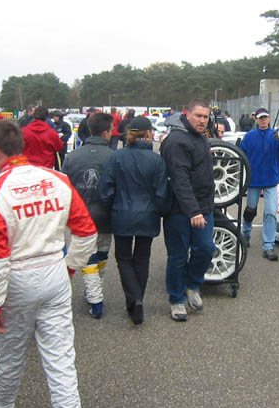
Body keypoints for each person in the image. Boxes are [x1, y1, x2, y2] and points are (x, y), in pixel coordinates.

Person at [0, 120, 96, 408]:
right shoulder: (57, 179)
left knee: (9, 354)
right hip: (55, 270)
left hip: (17, 278)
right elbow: (86, 233)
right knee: (61, 358)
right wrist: (69, 267)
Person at [99, 116, 169, 325]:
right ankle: (137, 299)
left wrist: (109, 207)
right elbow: (161, 192)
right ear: (148, 134)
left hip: (121, 213)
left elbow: (105, 188)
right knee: (142, 258)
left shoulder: (117, 156)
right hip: (148, 214)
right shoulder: (156, 160)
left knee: (123, 258)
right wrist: (162, 211)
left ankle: (134, 299)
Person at [160, 100, 215, 321]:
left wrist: (205, 206)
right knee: (178, 256)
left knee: (206, 248)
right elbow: (179, 179)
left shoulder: (201, 137)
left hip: (203, 207)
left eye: (205, 117)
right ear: (188, 115)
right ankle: (176, 299)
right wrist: (193, 211)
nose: (202, 120)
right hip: (178, 210)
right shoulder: (176, 140)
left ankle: (192, 285)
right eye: (198, 116)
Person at [62, 113, 114, 319]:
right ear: (106, 133)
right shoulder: (113, 156)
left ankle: (95, 293)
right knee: (100, 254)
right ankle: (95, 297)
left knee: (90, 256)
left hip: (80, 216)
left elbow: (64, 188)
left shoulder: (72, 157)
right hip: (106, 215)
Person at [240, 107, 279, 261]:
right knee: (250, 210)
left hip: (271, 180)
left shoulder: (277, 135)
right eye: (260, 118)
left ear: (269, 119)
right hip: (253, 180)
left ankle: (268, 245)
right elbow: (241, 154)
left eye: (265, 117)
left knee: (271, 212)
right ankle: (245, 234)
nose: (263, 120)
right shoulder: (249, 136)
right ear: (256, 119)